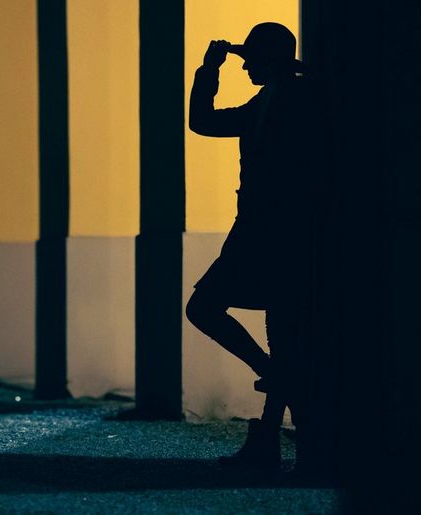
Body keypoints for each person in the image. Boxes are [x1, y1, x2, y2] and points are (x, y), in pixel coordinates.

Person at [186, 22, 316, 470]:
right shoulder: (271, 99)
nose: (245, 67)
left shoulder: (295, 98)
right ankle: (278, 420)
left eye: (250, 59)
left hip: (275, 231)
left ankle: (274, 431)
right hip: (267, 230)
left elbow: (203, 122)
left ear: (268, 59)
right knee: (281, 338)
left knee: (211, 309)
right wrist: (210, 71)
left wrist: (211, 69)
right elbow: (202, 122)